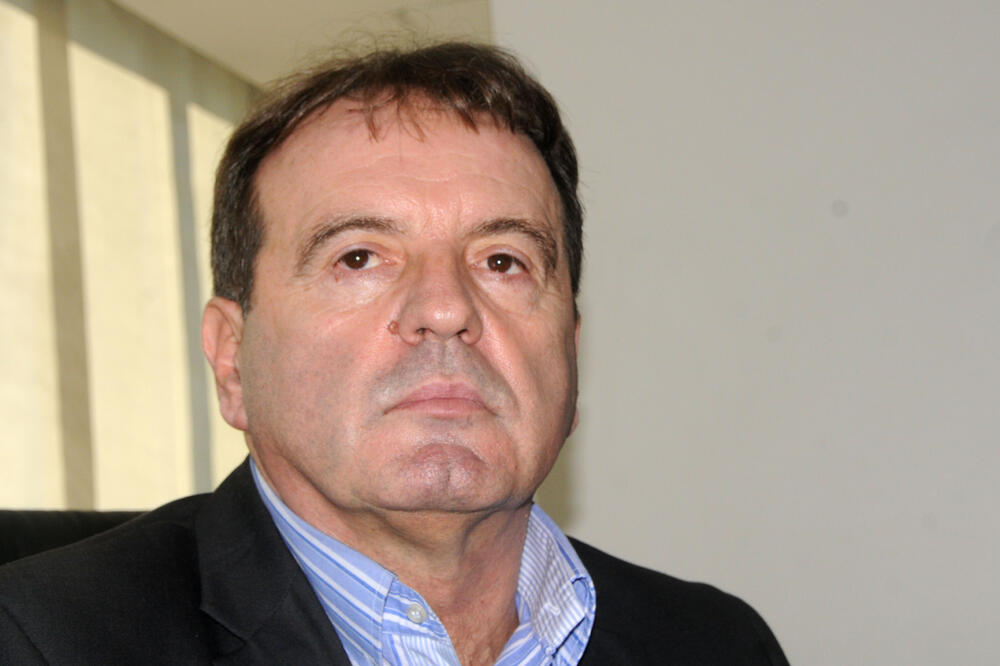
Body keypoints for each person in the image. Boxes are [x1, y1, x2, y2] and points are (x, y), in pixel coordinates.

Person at [0, 42, 788, 665]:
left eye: (503, 261)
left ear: (569, 358)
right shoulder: (39, 639)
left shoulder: (717, 644)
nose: (446, 308)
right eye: (359, 258)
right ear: (232, 358)